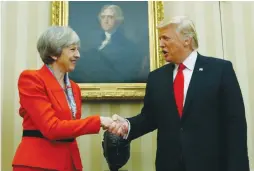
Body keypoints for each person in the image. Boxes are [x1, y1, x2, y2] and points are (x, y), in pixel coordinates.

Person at [109, 16, 250, 171]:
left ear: (187, 40)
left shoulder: (220, 70)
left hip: (212, 164)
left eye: (166, 38)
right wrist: (126, 125)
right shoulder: (157, 77)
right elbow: (149, 118)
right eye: (160, 39)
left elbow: (235, 125)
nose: (161, 44)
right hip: (170, 164)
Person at [12, 26, 114, 171]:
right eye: (72, 49)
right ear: (54, 53)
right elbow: (52, 128)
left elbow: (70, 128)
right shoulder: (31, 79)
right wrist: (99, 121)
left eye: (77, 49)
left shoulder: (74, 88)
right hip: (37, 165)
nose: (78, 55)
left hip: (69, 163)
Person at [69, 4, 149, 83]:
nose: (105, 21)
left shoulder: (128, 46)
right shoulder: (93, 41)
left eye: (110, 17)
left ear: (118, 20)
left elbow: (125, 74)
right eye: (103, 17)